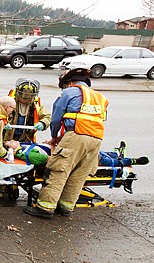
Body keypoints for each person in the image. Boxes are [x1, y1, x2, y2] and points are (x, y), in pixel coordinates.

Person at [23, 68, 109, 219]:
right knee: (78, 174)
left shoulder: (70, 92)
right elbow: (88, 120)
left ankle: (45, 208)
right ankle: (66, 207)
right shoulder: (100, 97)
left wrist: (54, 136)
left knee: (58, 170)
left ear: (69, 83)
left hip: (77, 135)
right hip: (96, 139)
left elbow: (57, 117)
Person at [4, 78, 51, 143]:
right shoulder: (9, 102)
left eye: (27, 98)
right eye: (22, 96)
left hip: (26, 139)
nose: (23, 100)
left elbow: (47, 117)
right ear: (17, 92)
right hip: (7, 138)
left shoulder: (36, 105)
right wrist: (3, 123)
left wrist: (43, 123)